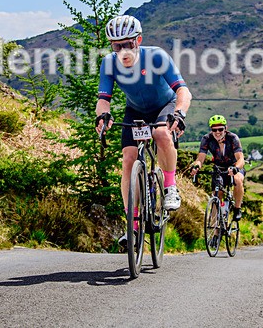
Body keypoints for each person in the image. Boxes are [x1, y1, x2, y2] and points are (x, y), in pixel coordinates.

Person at [94, 15, 192, 249]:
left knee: (161, 134)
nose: (123, 51)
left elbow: (183, 91)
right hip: (136, 110)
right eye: (117, 46)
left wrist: (179, 114)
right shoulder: (109, 63)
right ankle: (133, 226)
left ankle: (170, 187)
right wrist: (103, 115)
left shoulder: (156, 57)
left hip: (165, 105)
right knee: (128, 159)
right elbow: (103, 99)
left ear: (138, 40)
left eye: (128, 44)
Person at [190, 114, 246, 222]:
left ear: (225, 128)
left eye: (220, 129)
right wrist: (196, 166)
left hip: (234, 166)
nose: (217, 132)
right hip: (219, 169)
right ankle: (214, 228)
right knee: (217, 195)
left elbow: (241, 159)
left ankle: (237, 208)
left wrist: (235, 168)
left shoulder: (233, 138)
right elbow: (200, 158)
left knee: (237, 180)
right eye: (214, 130)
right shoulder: (207, 139)